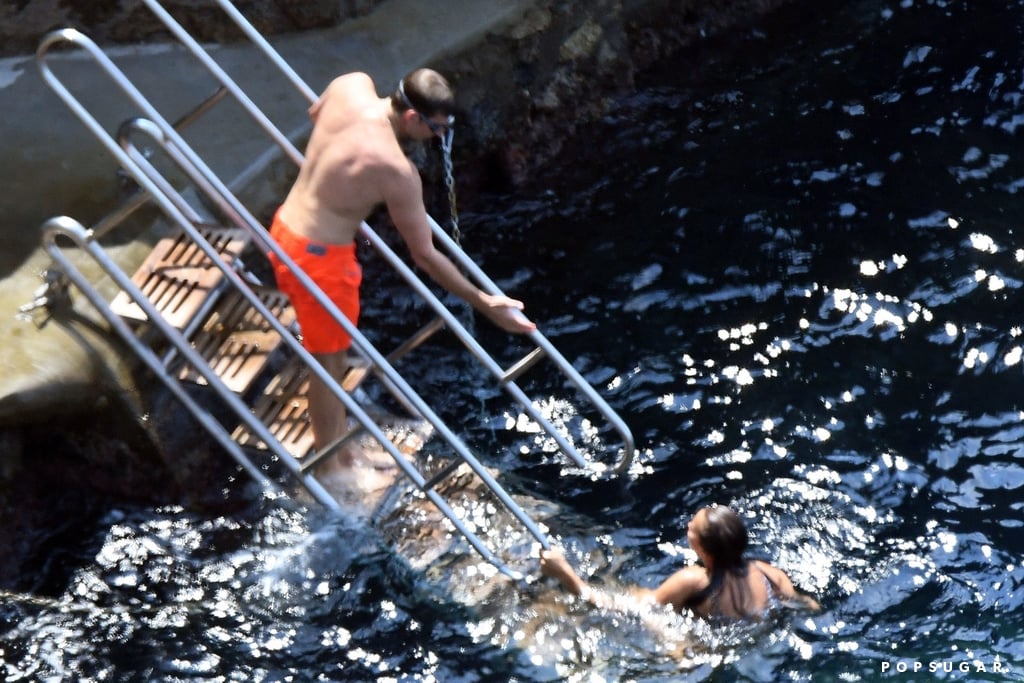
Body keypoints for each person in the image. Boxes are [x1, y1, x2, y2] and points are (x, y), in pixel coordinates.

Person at [268, 68, 536, 489]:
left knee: (332, 355)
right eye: (436, 129)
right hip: (319, 264)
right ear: (412, 118)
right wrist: (485, 302)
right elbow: (425, 256)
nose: (439, 138)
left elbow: (317, 113)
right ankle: (331, 469)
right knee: (328, 363)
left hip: (286, 226)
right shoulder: (396, 171)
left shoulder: (350, 85)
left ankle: (341, 446)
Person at [540, 505, 820, 620]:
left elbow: (632, 610)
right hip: (752, 632)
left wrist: (567, 575)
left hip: (701, 646)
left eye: (692, 529)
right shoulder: (770, 574)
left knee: (633, 596)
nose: (687, 525)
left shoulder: (695, 580)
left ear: (704, 551)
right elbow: (807, 605)